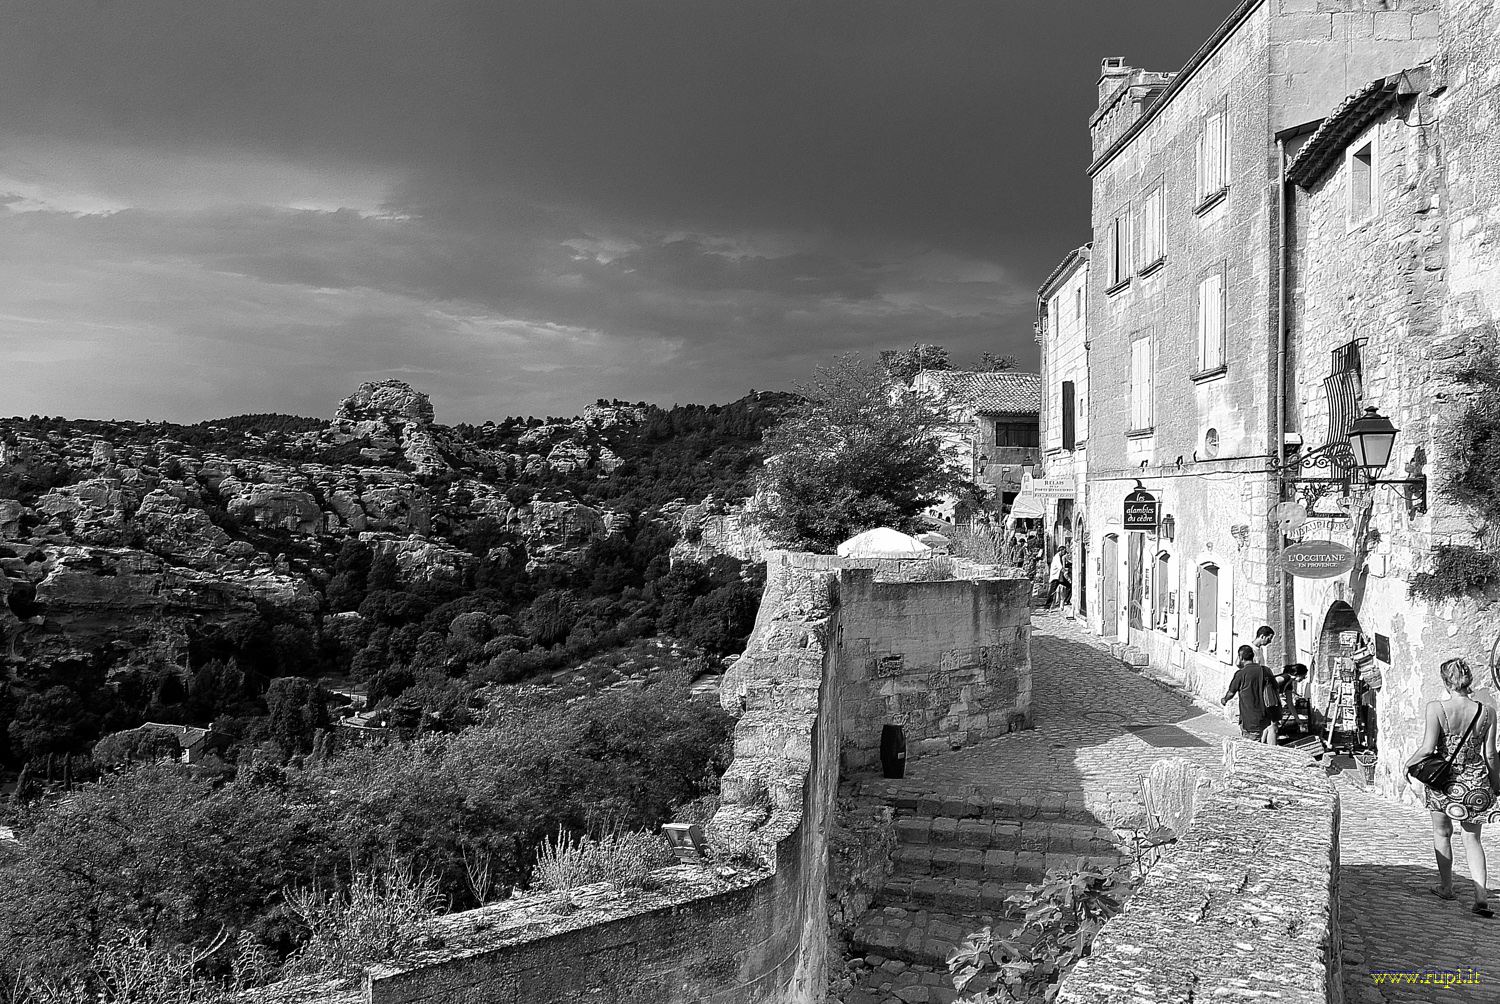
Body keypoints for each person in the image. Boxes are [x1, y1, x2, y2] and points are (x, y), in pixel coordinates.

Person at [1406, 657, 1497, 917]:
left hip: (1444, 781)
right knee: (1472, 839)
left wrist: (1408, 764)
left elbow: (1427, 748)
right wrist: (1496, 783)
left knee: (1442, 833)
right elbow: (1490, 753)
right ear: (1469, 680)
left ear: (1446, 681)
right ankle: (1481, 895)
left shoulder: (1436, 708)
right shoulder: (1488, 711)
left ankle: (1446, 887)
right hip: (1475, 781)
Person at [1222, 644, 1278, 744]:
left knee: (1251, 750)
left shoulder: (1241, 674)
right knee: (1263, 746)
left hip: (1250, 720)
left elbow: (1231, 693)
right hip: (1266, 718)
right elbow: (1275, 688)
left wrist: (1224, 700)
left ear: (1241, 657)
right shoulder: (1266, 670)